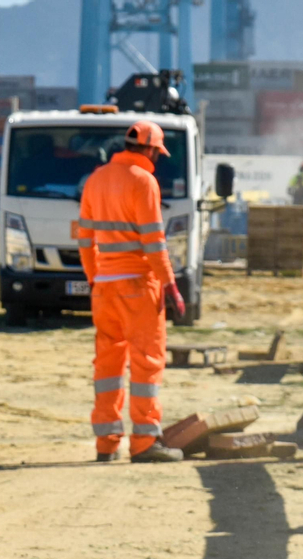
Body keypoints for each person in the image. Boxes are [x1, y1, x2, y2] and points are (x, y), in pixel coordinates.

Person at [75, 120, 186, 463]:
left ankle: (106, 443)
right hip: (138, 285)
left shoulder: (95, 179)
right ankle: (144, 442)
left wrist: (95, 278)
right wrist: (169, 283)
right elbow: (154, 241)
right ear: (150, 149)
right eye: (157, 153)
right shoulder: (144, 181)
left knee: (107, 364)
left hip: (105, 288)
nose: (157, 158)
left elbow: (84, 239)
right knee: (146, 363)